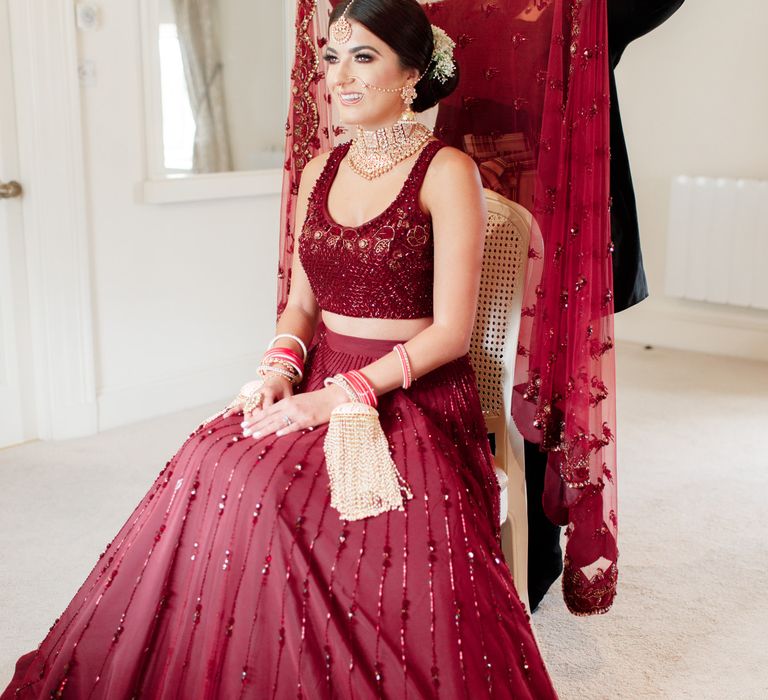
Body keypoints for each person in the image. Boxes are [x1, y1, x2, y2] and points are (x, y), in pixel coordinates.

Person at [1, 1, 559, 697]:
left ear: (412, 74)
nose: (341, 76)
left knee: (276, 495)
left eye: (364, 57)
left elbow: (449, 332)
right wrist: (278, 370)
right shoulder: (320, 170)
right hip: (320, 373)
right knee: (210, 458)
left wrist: (341, 396)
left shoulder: (446, 172)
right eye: (332, 57)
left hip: (410, 395)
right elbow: (301, 304)